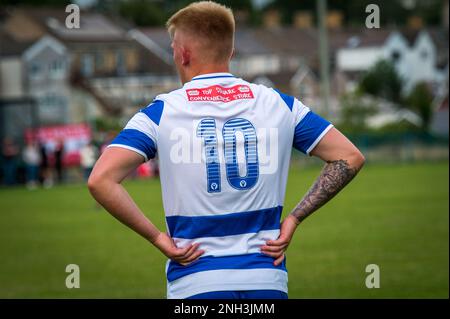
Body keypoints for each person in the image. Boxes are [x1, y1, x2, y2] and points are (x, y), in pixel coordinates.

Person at [88, 1, 365, 299]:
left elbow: (100, 179)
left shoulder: (161, 112)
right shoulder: (279, 104)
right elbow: (349, 156)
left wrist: (158, 238)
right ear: (231, 52)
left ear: (182, 53)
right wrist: (294, 219)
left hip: (195, 281)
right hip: (266, 279)